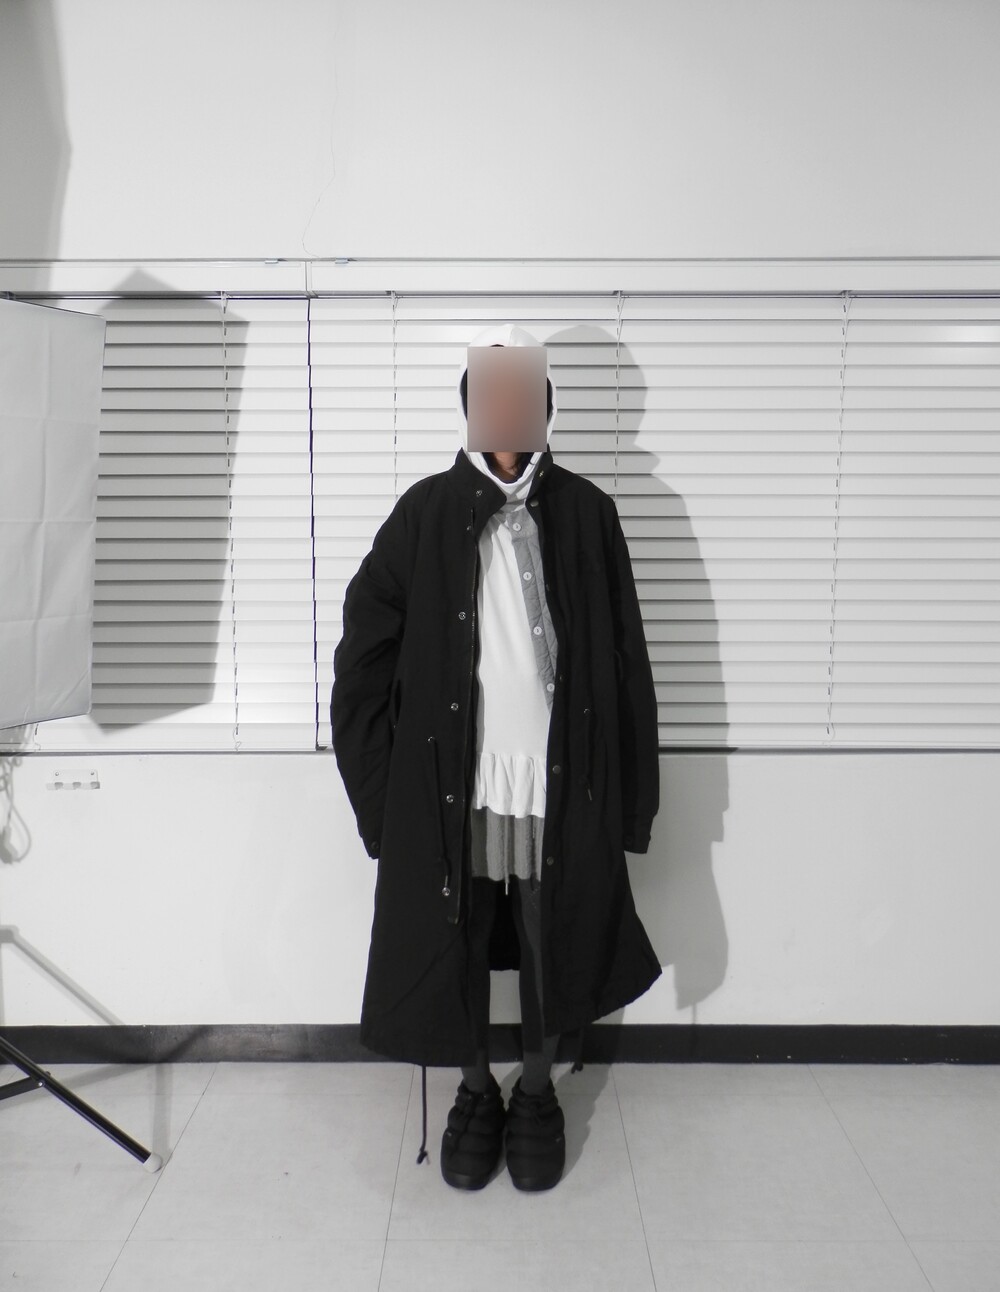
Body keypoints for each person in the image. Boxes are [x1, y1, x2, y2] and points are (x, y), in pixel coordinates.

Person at [331, 321, 662, 1194]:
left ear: (546, 409)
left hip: (560, 782)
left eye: (525, 397)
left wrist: (632, 803)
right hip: (458, 786)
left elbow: (626, 658)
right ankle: (476, 1089)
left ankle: (540, 1091)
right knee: (459, 940)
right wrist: (383, 802)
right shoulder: (422, 515)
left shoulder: (589, 513)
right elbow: (362, 661)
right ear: (470, 408)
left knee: (556, 939)